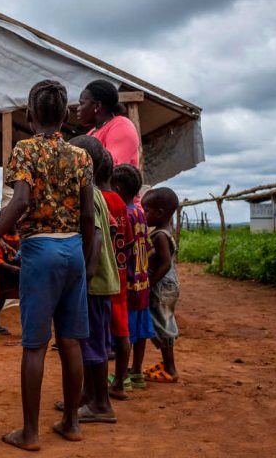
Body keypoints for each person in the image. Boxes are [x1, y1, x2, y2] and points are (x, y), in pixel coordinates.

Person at [0, 80, 95, 450]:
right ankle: (72, 422)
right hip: (75, 251)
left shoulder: (25, 150)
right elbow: (88, 214)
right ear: (65, 116)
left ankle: (29, 433)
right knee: (71, 342)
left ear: (29, 116)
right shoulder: (81, 156)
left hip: (40, 251)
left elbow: (20, 201)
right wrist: (88, 263)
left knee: (34, 345)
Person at [69, 135, 120, 424]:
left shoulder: (89, 195)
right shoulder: (93, 192)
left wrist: (86, 276)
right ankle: (88, 396)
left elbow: (97, 236)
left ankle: (101, 403)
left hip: (95, 281)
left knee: (93, 346)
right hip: (97, 280)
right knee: (88, 342)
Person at [111, 164, 154, 390]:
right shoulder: (139, 213)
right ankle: (137, 372)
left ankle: (121, 377)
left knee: (124, 330)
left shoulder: (121, 215)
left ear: (116, 188)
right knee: (140, 328)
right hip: (142, 281)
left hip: (126, 282)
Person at [95, 150, 135, 400]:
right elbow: (129, 241)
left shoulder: (98, 199)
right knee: (122, 333)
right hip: (119, 279)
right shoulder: (120, 202)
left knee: (96, 336)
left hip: (100, 278)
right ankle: (120, 381)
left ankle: (93, 391)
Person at [142, 187, 181, 383]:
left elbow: (165, 264)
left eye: (146, 211)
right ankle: (166, 365)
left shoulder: (159, 236)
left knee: (162, 323)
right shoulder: (165, 230)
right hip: (168, 284)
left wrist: (149, 283)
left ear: (159, 213)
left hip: (162, 286)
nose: (144, 214)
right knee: (164, 320)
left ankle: (171, 369)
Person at [77, 79, 140, 169]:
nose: (78, 108)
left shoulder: (121, 126)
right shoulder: (92, 132)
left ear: (97, 106)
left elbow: (112, 168)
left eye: (81, 103)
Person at [0, 220, 20, 336]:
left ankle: (27, 326)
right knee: (0, 300)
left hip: (20, 273)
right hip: (4, 275)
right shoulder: (0, 240)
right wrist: (11, 268)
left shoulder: (21, 237)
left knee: (25, 299)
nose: (12, 225)